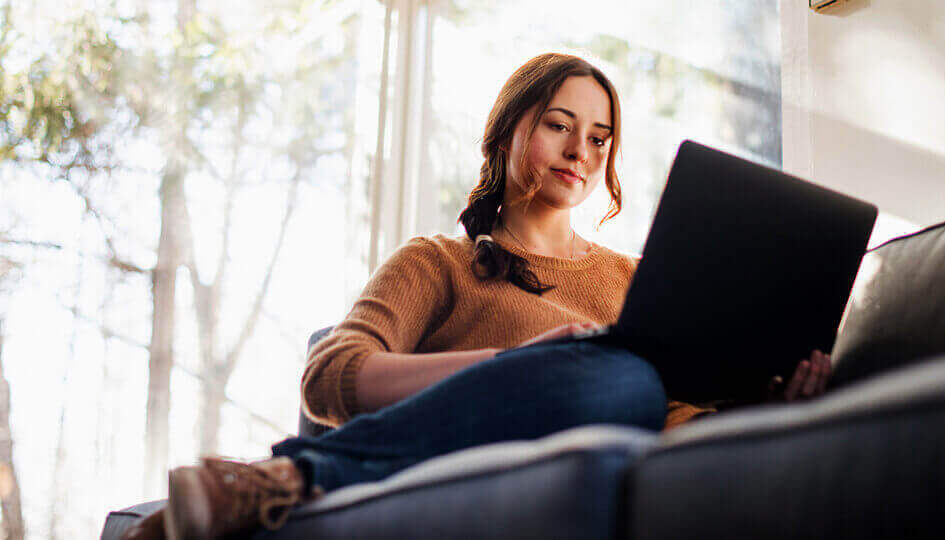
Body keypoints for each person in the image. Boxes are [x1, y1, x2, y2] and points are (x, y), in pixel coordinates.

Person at [125, 53, 832, 540]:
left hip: (614, 435)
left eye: (599, 137)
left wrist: (769, 411)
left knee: (632, 386)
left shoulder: (638, 280)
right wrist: (509, 362)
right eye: (559, 124)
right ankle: (281, 481)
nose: (580, 150)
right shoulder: (439, 261)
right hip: (466, 456)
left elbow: (667, 424)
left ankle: (276, 484)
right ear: (508, 128)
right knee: (620, 376)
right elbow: (329, 377)